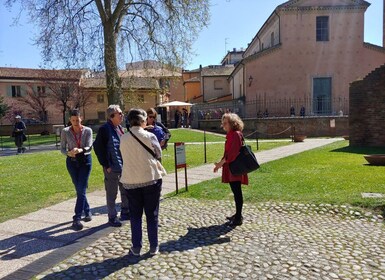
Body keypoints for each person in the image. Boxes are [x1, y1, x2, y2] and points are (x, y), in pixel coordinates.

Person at [120, 108, 166, 256]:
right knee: (152, 215)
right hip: (150, 178)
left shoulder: (123, 138)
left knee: (135, 216)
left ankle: (136, 247)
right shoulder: (150, 136)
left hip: (131, 181)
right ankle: (154, 246)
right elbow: (158, 154)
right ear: (142, 121)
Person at [93, 105, 129, 227]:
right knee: (112, 193)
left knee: (125, 191)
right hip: (112, 168)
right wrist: (106, 165)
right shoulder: (104, 129)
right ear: (111, 116)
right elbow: (97, 147)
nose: (121, 115)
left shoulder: (120, 128)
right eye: (119, 113)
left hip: (122, 166)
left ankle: (125, 212)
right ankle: (112, 217)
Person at [213, 113, 248, 227]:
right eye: (222, 123)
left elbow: (232, 154)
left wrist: (221, 163)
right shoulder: (231, 134)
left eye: (225, 123)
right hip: (231, 167)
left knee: (237, 191)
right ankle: (238, 214)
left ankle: (238, 217)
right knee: (235, 191)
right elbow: (228, 153)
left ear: (233, 123)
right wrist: (219, 164)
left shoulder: (236, 134)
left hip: (235, 167)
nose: (223, 125)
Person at [60, 109, 93, 231]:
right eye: (73, 120)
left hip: (85, 161)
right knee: (79, 189)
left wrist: (80, 150)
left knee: (81, 188)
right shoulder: (65, 131)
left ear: (81, 118)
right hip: (72, 162)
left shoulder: (88, 131)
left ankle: (77, 218)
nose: (75, 123)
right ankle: (88, 211)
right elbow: (62, 148)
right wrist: (69, 153)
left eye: (77, 120)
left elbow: (90, 146)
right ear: (70, 120)